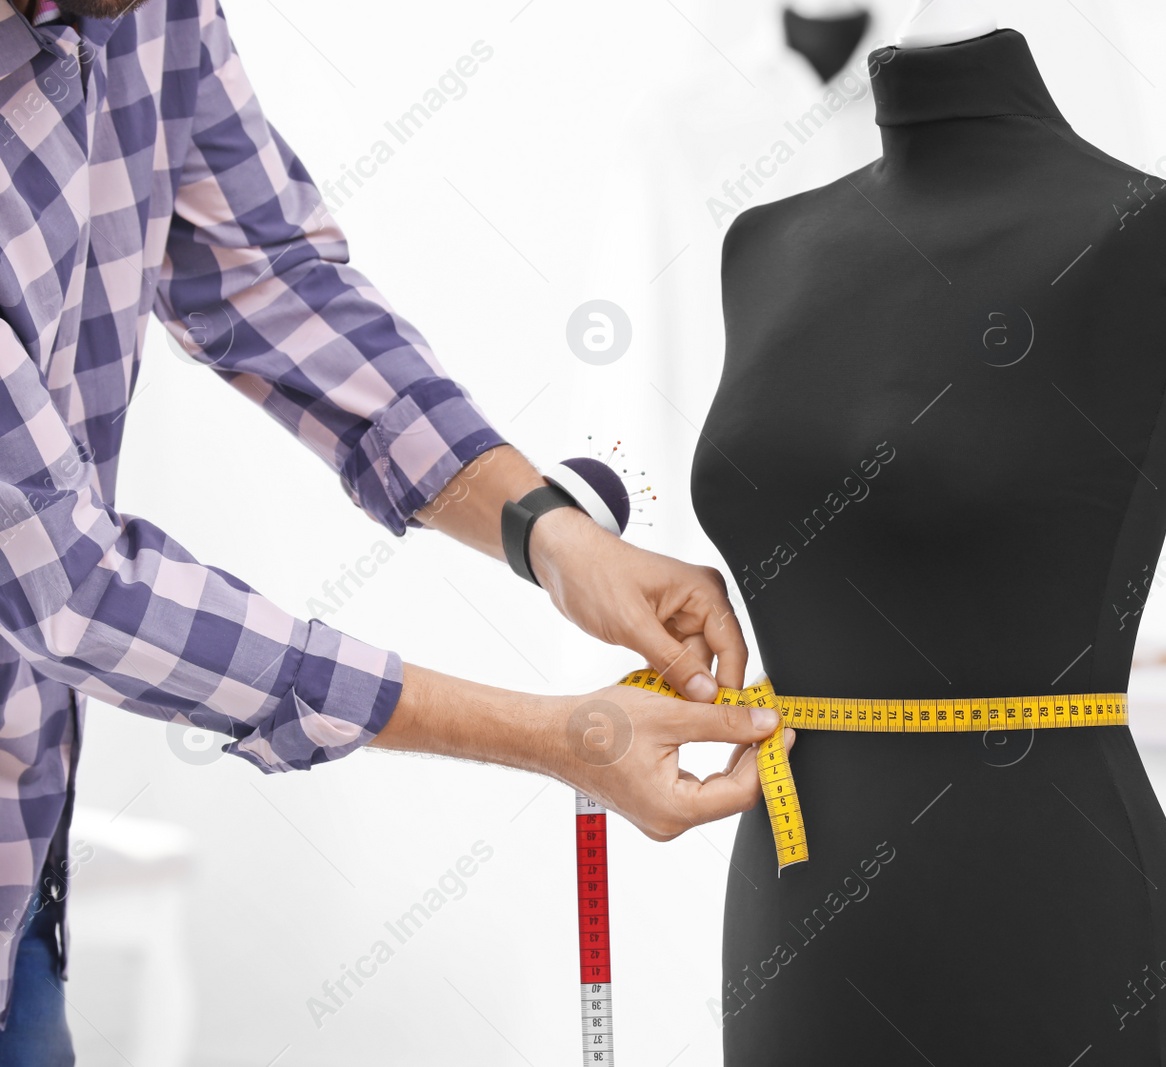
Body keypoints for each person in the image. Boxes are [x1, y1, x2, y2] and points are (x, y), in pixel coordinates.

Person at [0, 0, 788, 1058]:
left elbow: (266, 276)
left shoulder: (152, 12)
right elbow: (69, 587)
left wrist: (548, 533)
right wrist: (553, 736)